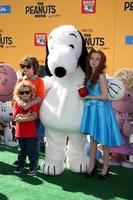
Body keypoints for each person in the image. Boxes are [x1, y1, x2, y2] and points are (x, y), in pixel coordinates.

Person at [80, 48, 123, 180]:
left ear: (101, 61)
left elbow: (105, 96)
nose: (94, 61)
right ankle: (92, 166)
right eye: (92, 58)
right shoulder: (88, 75)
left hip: (102, 110)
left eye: (97, 59)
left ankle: (105, 167)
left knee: (104, 140)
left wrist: (88, 97)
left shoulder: (101, 75)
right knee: (93, 139)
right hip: (92, 110)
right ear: (89, 60)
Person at [13, 56, 45, 168]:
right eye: (22, 66)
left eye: (27, 66)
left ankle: (34, 162)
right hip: (20, 114)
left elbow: (40, 97)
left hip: (33, 116)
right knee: (21, 141)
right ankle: (21, 161)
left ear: (34, 67)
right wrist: (21, 103)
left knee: (33, 142)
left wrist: (28, 105)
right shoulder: (20, 80)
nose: (24, 69)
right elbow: (15, 95)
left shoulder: (39, 81)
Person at [13, 81, 39, 176]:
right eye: (22, 92)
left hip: (31, 133)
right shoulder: (16, 104)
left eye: (27, 92)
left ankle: (33, 167)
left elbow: (34, 117)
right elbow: (16, 118)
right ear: (18, 93)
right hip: (20, 133)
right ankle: (21, 165)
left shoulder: (34, 104)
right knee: (21, 151)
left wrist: (23, 117)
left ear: (31, 92)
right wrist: (28, 116)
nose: (24, 94)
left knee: (31, 151)